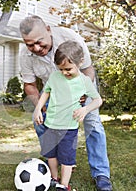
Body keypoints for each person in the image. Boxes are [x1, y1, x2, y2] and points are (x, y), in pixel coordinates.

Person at [19, 15, 112, 191]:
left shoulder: (70, 38)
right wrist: (42, 107)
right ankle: (54, 160)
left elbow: (88, 69)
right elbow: (30, 85)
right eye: (30, 44)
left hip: (81, 85)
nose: (36, 48)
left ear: (48, 30)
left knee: (93, 124)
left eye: (40, 42)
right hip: (54, 90)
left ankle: (101, 173)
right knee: (39, 121)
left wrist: (83, 96)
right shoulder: (25, 55)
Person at [33, 40, 103, 191]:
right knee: (50, 154)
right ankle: (53, 178)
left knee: (66, 159)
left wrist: (85, 110)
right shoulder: (54, 76)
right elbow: (46, 92)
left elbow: (98, 100)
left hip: (69, 128)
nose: (64, 72)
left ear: (80, 62)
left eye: (68, 69)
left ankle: (63, 186)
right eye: (61, 69)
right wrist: (38, 108)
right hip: (50, 124)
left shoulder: (84, 81)